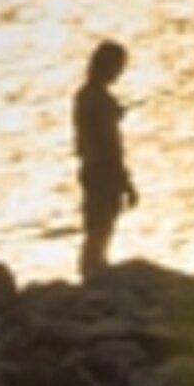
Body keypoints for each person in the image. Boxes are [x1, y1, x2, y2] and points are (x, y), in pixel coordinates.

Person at [74, 41, 137, 278]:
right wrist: (126, 181)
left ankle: (92, 267)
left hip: (90, 166)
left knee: (97, 223)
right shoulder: (99, 99)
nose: (119, 73)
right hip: (103, 167)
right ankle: (94, 269)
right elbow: (110, 144)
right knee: (102, 223)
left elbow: (85, 137)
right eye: (117, 67)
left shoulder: (85, 95)